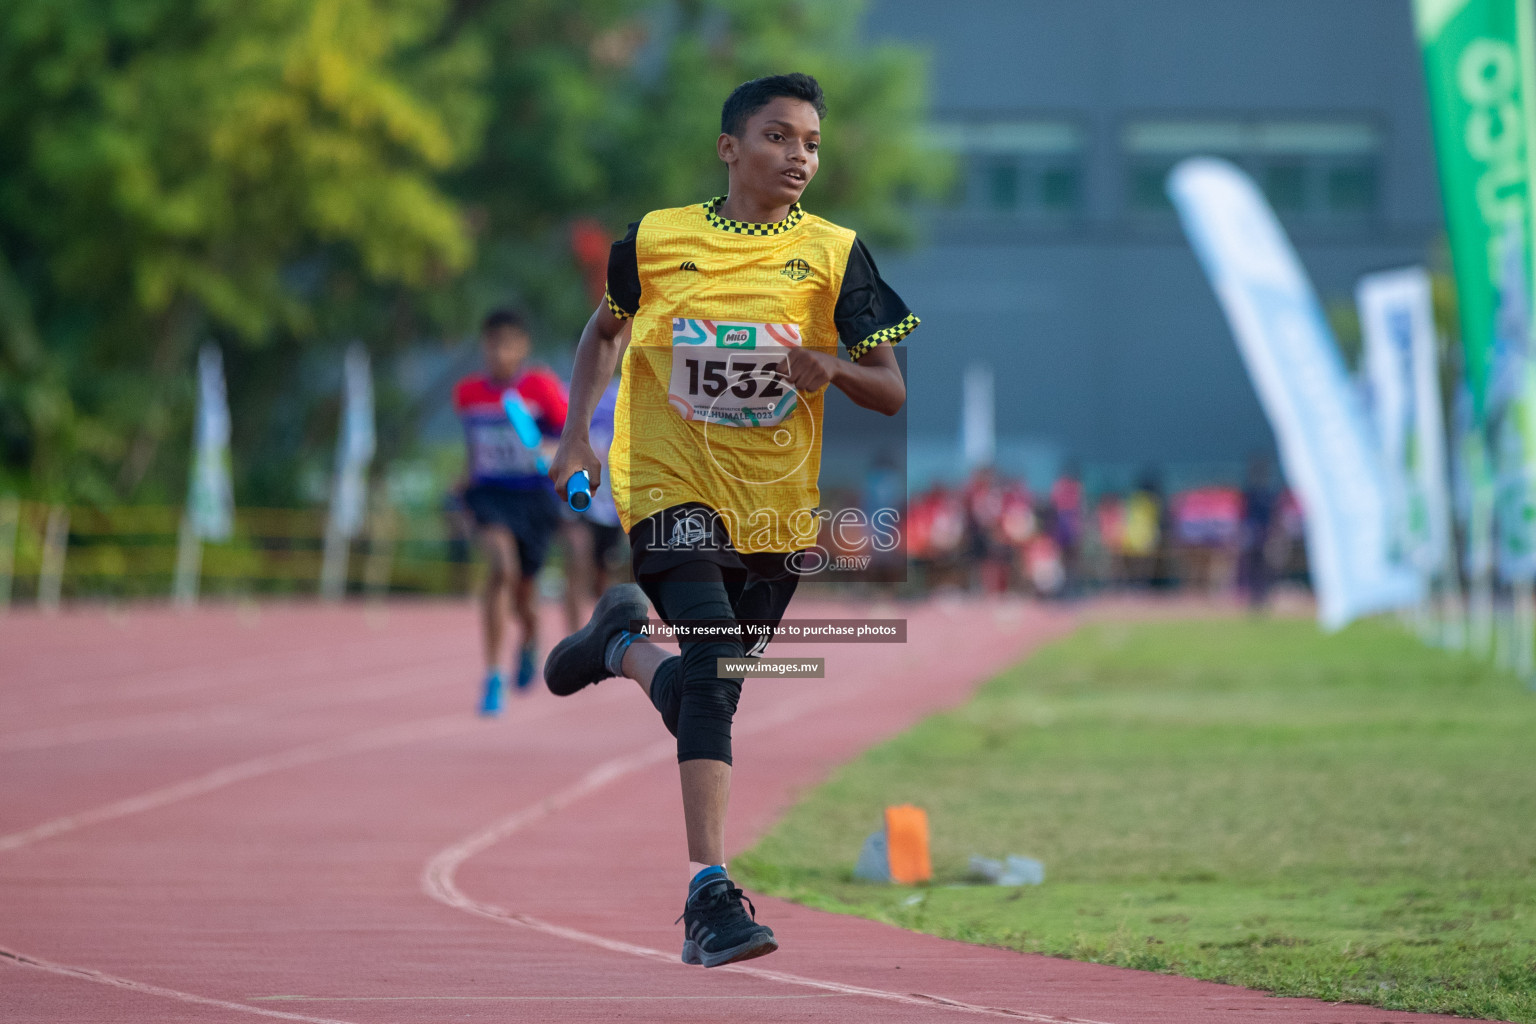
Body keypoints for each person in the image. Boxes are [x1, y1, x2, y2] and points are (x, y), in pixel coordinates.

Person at [542, 73, 916, 968]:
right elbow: (604, 332)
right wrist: (574, 442)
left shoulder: (836, 255)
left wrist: (830, 364)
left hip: (777, 509)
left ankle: (623, 647)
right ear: (731, 147)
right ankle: (709, 895)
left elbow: (893, 393)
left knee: (711, 688)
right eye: (781, 137)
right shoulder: (658, 242)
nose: (800, 156)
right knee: (714, 668)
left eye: (813, 143)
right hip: (667, 483)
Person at [453, 309, 569, 715]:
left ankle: (531, 637)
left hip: (533, 500)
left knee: (523, 596)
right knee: (500, 568)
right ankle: (492, 676)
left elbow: (567, 438)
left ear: (523, 346)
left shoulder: (540, 388)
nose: (500, 352)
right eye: (492, 343)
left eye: (508, 343)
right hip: (491, 496)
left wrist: (547, 454)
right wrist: (462, 486)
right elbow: (473, 451)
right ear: (484, 346)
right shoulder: (469, 394)